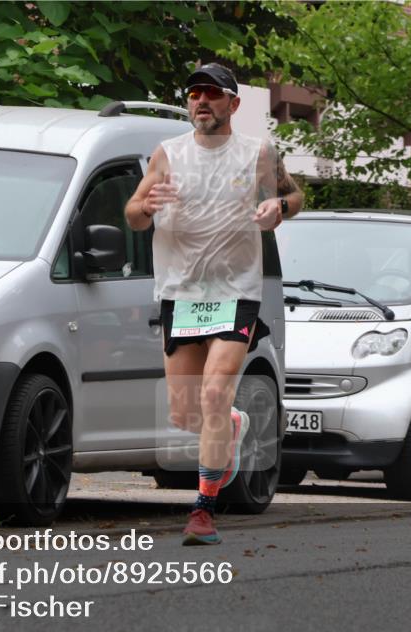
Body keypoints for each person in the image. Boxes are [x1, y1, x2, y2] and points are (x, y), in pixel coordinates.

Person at [125, 63, 303, 545]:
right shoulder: (168, 154)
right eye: (194, 93)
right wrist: (146, 208)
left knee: (213, 393)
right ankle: (233, 424)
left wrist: (277, 207)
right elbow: (134, 215)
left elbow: (294, 195)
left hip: (235, 293)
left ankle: (202, 512)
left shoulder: (257, 154)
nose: (201, 101)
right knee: (186, 412)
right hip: (180, 293)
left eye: (212, 93)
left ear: (233, 104)